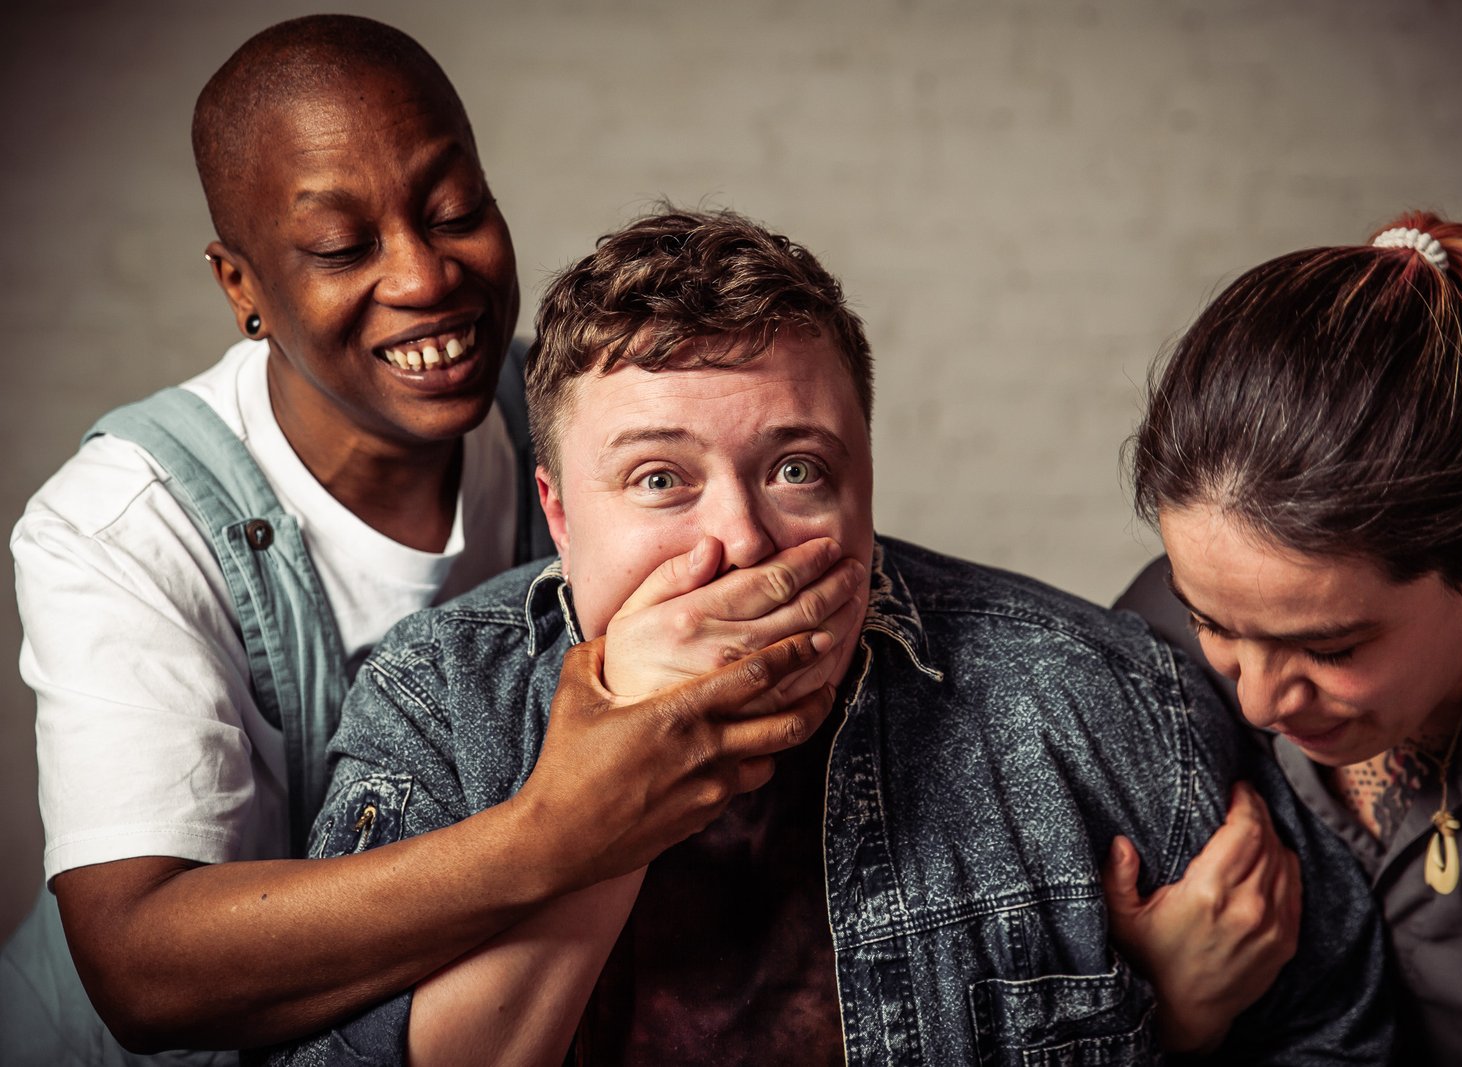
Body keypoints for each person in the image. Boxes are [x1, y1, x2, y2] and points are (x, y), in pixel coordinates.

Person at [274, 207, 1393, 1066]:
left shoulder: (1092, 696)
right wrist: (618, 787)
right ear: (559, 513)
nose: (743, 539)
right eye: (659, 479)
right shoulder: (440, 705)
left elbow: (1337, 1029)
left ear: (864, 484)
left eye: (797, 469)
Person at [0, 18, 849, 1064]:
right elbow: (139, 969)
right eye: (342, 247)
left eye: (455, 211)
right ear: (241, 285)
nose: (424, 276)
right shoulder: (123, 522)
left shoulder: (572, 418)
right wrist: (560, 833)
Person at [1119, 211, 1462, 1064]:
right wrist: (1163, 1013)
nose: (1259, 701)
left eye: (1330, 649)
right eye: (1213, 622)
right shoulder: (1144, 648)